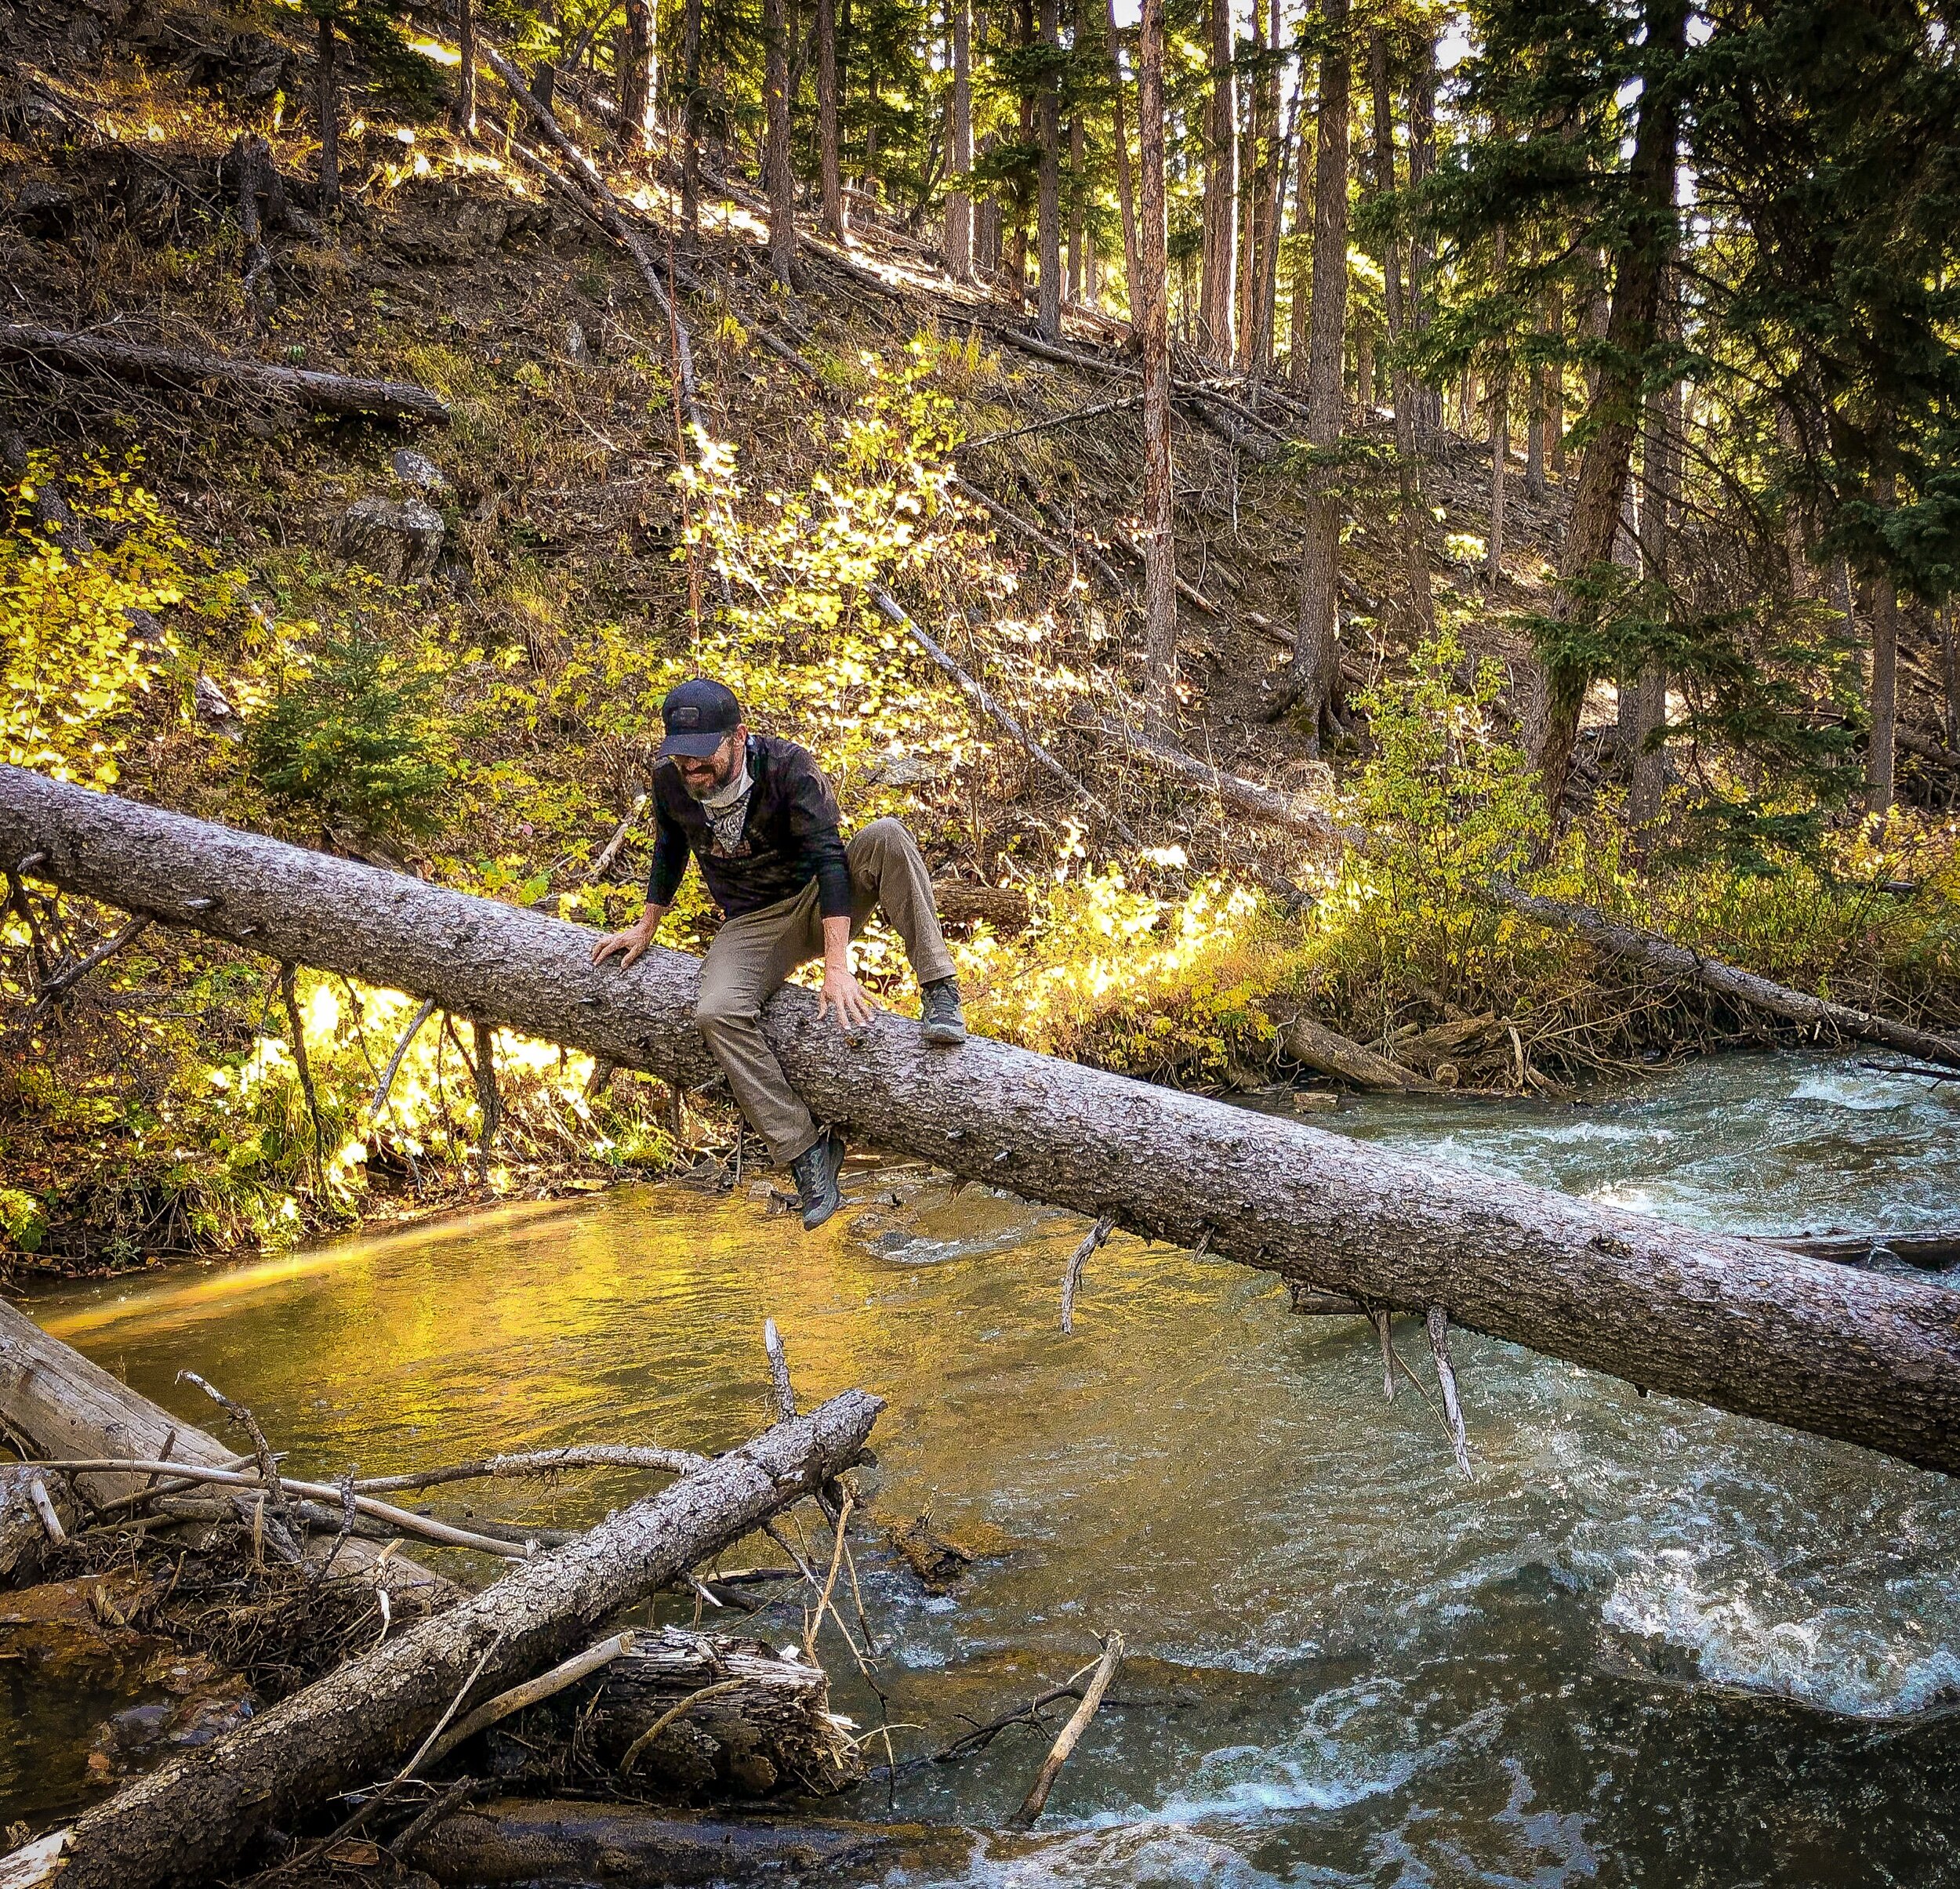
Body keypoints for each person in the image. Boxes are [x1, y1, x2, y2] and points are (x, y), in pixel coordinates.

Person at [590, 677, 967, 1230]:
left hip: (822, 895)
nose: (691, 769)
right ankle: (809, 1155)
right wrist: (646, 926)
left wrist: (837, 965)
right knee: (715, 1010)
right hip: (754, 922)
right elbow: (670, 846)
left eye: (703, 756)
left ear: (738, 737)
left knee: (887, 835)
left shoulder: (790, 767)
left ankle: (940, 989)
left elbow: (831, 860)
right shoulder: (672, 784)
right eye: (681, 757)